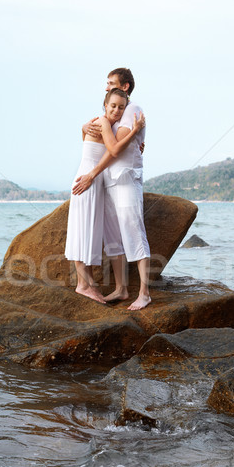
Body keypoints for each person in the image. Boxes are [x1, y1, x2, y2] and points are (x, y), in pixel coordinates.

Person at [72, 68, 151, 310]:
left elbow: (115, 149)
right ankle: (121, 288)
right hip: (107, 181)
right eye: (107, 85)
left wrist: (137, 134)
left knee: (133, 231)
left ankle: (144, 294)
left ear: (125, 87)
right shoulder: (113, 114)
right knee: (113, 236)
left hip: (123, 179)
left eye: (111, 83)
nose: (106, 87)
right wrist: (85, 127)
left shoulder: (132, 110)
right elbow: (97, 140)